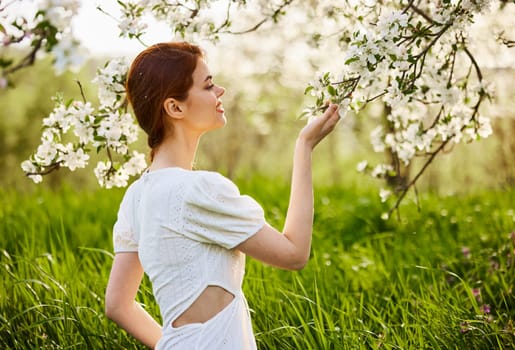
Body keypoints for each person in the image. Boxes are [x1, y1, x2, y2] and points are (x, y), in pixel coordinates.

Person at [104, 41, 340, 350]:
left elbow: (117, 305)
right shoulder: (197, 190)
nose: (221, 91)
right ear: (175, 107)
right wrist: (304, 147)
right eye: (209, 85)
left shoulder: (136, 197)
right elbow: (294, 253)